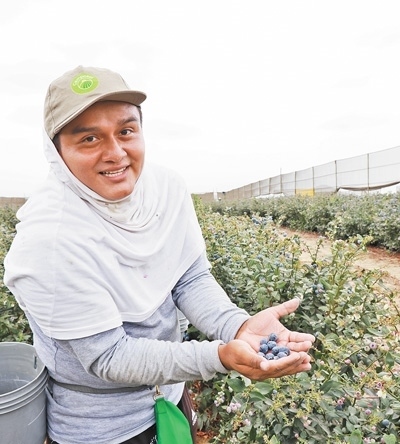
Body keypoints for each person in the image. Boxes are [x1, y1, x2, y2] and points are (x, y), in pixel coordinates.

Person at [4, 66, 315, 444]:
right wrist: (219, 356)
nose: (115, 153)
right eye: (89, 138)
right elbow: (109, 357)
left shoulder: (165, 190)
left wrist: (236, 327)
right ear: (57, 151)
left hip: (169, 394)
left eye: (126, 131)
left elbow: (188, 278)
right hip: (103, 428)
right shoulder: (48, 240)